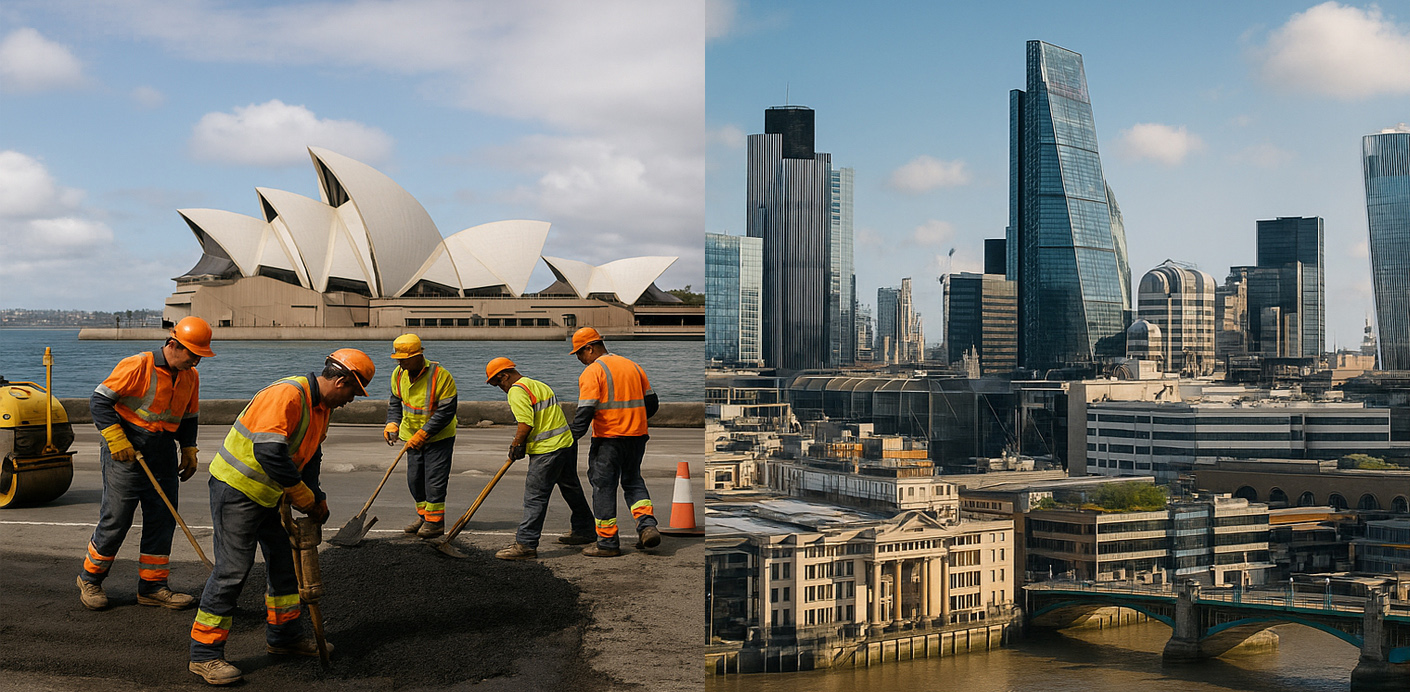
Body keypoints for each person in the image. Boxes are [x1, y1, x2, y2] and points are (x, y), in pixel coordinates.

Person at [187, 349, 374, 686]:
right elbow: (269, 452)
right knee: (231, 571)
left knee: (285, 565)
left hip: (271, 494)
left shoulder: (322, 408)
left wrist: (316, 496)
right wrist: (301, 495)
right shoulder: (287, 394)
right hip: (238, 490)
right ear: (341, 381)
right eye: (353, 393)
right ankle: (205, 655)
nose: (351, 400)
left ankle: (284, 638)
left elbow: (310, 453)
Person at [78, 316, 214, 611]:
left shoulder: (190, 376)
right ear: (173, 345)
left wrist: (189, 449)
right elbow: (99, 401)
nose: (197, 362)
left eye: (200, 357)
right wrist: (116, 439)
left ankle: (152, 587)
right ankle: (90, 579)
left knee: (163, 520)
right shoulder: (138, 365)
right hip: (126, 449)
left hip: (161, 451)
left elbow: (189, 417)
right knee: (117, 519)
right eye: (193, 355)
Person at [485, 357, 595, 560]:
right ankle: (585, 529)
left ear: (505, 376)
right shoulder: (538, 385)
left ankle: (526, 544)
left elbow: (525, 423)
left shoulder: (517, 390)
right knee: (571, 488)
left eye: (497, 383)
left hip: (547, 450)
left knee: (535, 496)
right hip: (566, 443)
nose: (500, 388)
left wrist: (517, 445)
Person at [567, 327, 661, 557]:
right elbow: (652, 403)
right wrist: (634, 420)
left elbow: (585, 411)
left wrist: (568, 438)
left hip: (609, 439)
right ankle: (647, 526)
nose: (579, 359)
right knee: (633, 481)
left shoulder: (593, 371)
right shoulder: (633, 366)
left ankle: (607, 542)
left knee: (603, 486)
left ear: (589, 348)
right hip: (637, 437)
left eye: (579, 353)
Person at [382, 334, 458, 539]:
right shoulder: (398, 374)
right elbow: (396, 401)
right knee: (415, 479)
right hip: (411, 437)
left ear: (418, 356)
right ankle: (424, 516)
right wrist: (392, 423)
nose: (401, 363)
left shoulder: (441, 376)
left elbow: (446, 411)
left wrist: (424, 433)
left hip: (438, 437)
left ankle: (435, 523)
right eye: (398, 359)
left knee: (434, 479)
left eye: (404, 359)